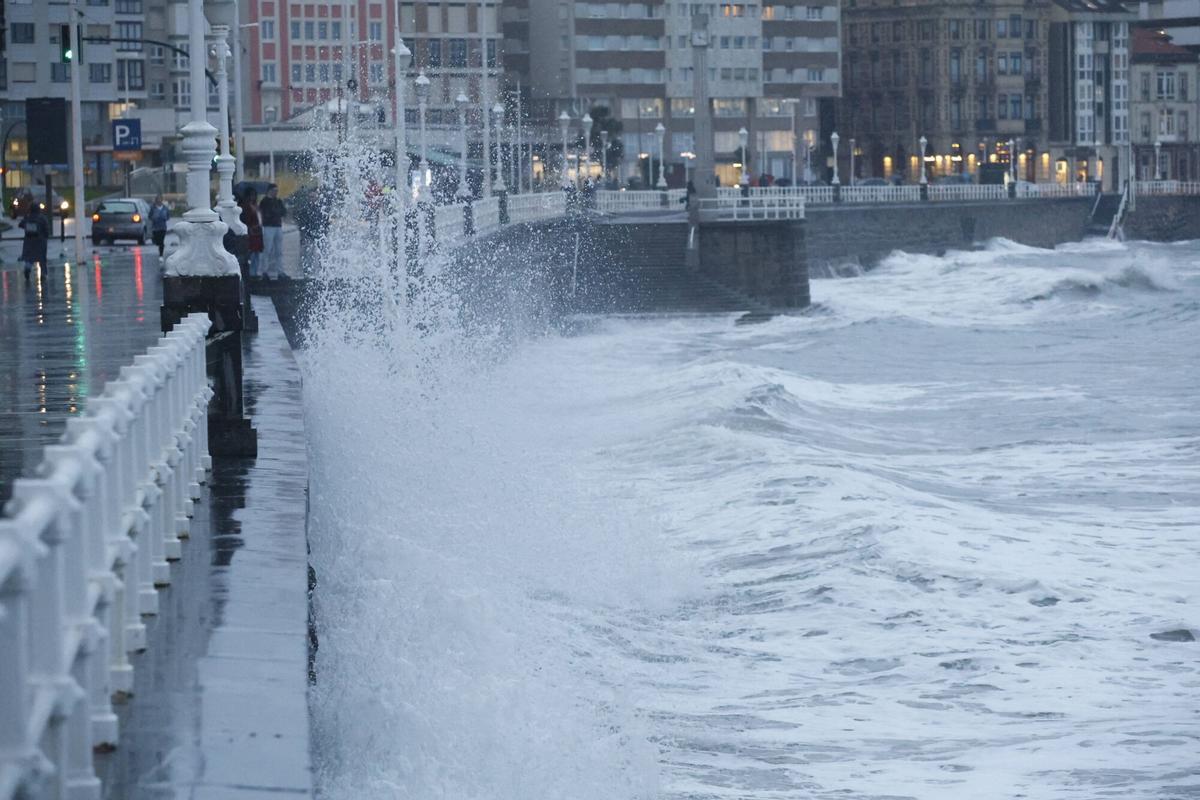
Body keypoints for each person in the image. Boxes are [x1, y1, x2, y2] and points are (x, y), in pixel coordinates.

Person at [259, 184, 287, 280]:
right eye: (274, 190)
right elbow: (266, 213)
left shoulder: (278, 201)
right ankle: (264, 271)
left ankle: (281, 271)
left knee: (279, 251)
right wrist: (276, 212)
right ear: (269, 191)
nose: (276, 192)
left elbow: (284, 212)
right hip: (268, 227)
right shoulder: (264, 202)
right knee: (267, 250)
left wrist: (276, 212)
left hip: (277, 226)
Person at [19, 200, 50, 283]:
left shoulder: (28, 218)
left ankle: (27, 268)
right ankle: (43, 273)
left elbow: (21, 224)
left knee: (29, 258)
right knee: (42, 259)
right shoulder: (42, 218)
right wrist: (46, 236)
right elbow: (46, 230)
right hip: (40, 241)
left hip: (28, 241)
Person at [239, 188, 264, 279]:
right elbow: (246, 219)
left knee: (257, 252)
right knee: (252, 252)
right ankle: (252, 272)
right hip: (252, 231)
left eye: (254, 195)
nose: (253, 197)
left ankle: (255, 271)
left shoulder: (256, 206)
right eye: (251, 195)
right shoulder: (246, 206)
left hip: (258, 231)